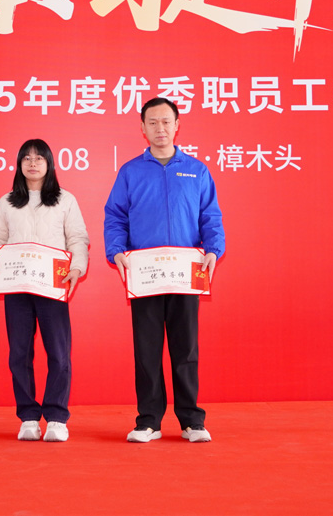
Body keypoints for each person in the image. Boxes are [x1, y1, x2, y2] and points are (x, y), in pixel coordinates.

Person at [104, 97, 225, 444]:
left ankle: (192, 421)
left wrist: (213, 250)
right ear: (142, 128)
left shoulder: (197, 170)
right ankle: (149, 422)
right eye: (153, 122)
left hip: (186, 273)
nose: (160, 128)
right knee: (147, 349)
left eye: (166, 121)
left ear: (177, 125)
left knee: (186, 349)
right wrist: (117, 251)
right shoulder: (130, 171)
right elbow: (115, 216)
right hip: (145, 273)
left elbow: (210, 216)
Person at [0, 139, 89, 442]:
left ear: (49, 163)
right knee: (19, 354)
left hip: (53, 285)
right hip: (16, 286)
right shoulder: (7, 201)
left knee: (59, 353)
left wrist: (77, 268)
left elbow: (78, 238)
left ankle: (56, 417)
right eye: (26, 158)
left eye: (39, 158)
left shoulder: (65, 200)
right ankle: (28, 416)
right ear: (19, 164)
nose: (32, 163)